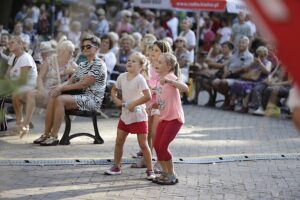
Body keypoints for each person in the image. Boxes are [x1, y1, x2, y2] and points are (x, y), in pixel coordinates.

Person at [33, 34, 107, 146]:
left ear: (97, 48)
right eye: (83, 47)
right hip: (80, 96)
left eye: (88, 46)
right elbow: (71, 80)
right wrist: (58, 88)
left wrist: (62, 88)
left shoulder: (98, 64)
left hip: (92, 100)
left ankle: (54, 136)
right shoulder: (83, 64)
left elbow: (84, 84)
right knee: (54, 96)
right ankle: (46, 134)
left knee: (60, 100)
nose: (85, 49)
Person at [104, 52, 155, 180]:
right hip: (125, 116)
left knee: (143, 145)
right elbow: (114, 89)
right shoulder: (121, 76)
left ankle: (150, 170)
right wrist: (115, 99)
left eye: (134, 61)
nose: (129, 62)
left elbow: (148, 96)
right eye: (129, 60)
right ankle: (116, 167)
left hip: (139, 117)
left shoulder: (140, 79)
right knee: (119, 141)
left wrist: (133, 104)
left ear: (141, 66)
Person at [18, 39, 76, 138]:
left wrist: (72, 71)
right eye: (69, 52)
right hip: (45, 91)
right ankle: (26, 123)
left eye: (72, 52)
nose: (72, 54)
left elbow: (80, 75)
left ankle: (48, 133)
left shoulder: (71, 64)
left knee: (53, 98)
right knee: (31, 93)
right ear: (62, 51)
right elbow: (40, 77)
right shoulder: (50, 60)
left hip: (57, 93)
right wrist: (41, 90)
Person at [153, 52, 188, 185]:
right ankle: (165, 172)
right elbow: (163, 98)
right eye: (156, 61)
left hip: (174, 119)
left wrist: (170, 81)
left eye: (160, 62)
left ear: (168, 67)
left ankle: (172, 174)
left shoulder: (171, 77)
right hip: (164, 118)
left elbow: (185, 88)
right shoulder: (159, 79)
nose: (156, 64)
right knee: (156, 145)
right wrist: (154, 105)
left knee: (163, 146)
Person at [7, 35, 38, 135]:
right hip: (19, 87)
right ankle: (19, 122)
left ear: (20, 44)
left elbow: (23, 80)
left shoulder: (25, 58)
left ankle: (21, 123)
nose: (9, 44)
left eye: (12, 42)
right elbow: (7, 76)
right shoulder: (15, 57)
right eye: (9, 42)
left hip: (29, 88)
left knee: (15, 94)